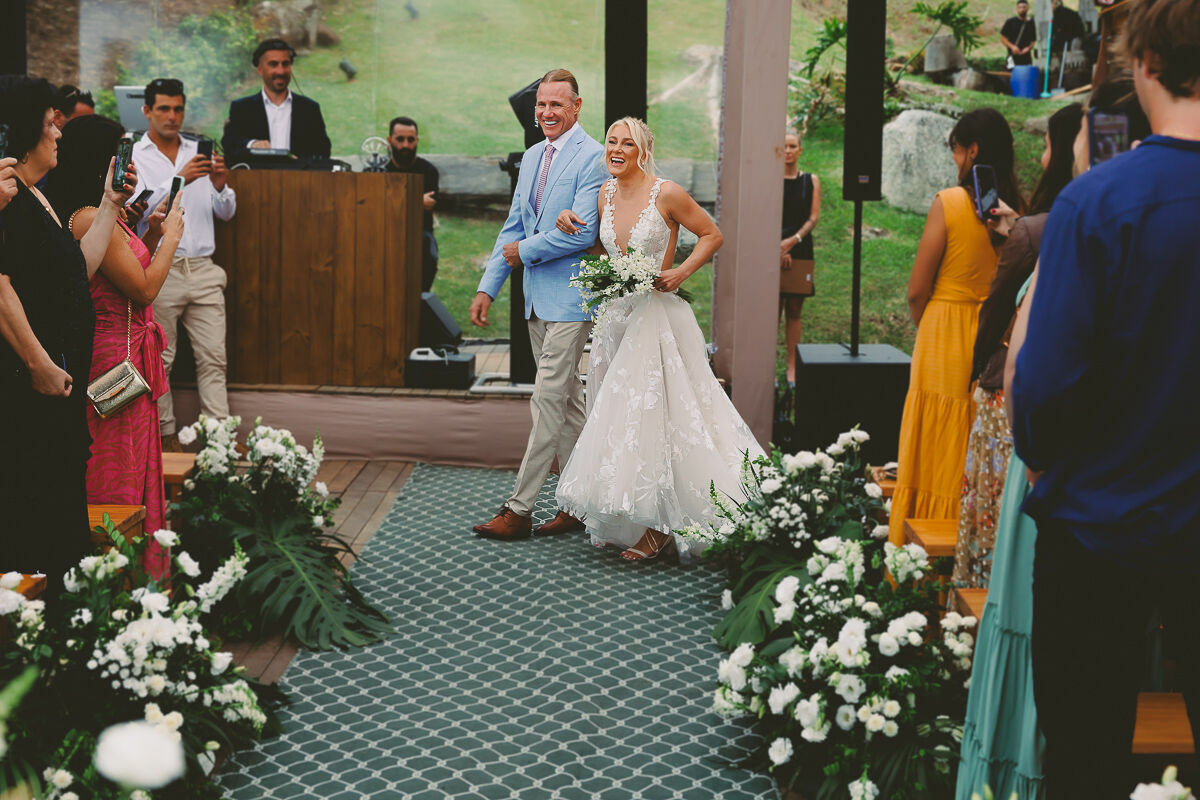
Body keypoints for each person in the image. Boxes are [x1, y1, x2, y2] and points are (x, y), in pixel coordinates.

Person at [1012, 0, 1200, 792]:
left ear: (1145, 63)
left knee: (1085, 761)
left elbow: (1046, 389)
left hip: (1100, 528)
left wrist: (1043, 458)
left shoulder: (1100, 203)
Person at [955, 95, 1118, 800]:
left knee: (1033, 613)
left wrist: (1038, 455)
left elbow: (1025, 367)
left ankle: (1019, 762)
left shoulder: (1063, 228)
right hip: (1135, 470)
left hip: (1059, 464)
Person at [552, 117, 765, 561]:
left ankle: (660, 525)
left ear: (642, 151)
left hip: (657, 318)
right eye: (611, 141)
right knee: (617, 418)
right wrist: (569, 224)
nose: (616, 149)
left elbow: (713, 234)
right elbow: (606, 247)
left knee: (658, 417)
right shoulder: (603, 193)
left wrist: (681, 271)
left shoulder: (666, 193)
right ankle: (627, 510)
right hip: (615, 321)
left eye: (626, 143)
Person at [0, 75, 133, 590]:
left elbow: (78, 269)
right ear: (24, 133)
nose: (58, 133)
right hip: (31, 386)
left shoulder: (36, 195)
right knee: (37, 510)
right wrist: (38, 363)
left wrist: (111, 201)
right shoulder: (9, 200)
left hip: (58, 384)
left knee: (61, 502)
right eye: (50, 123)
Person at [468, 68, 607, 542]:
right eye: (541, 105)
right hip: (534, 300)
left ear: (576, 106)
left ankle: (519, 508)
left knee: (546, 401)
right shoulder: (530, 157)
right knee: (567, 406)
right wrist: (490, 285)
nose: (547, 112)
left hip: (572, 300)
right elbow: (513, 227)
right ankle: (583, 502)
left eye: (556, 104)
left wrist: (524, 252)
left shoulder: (593, 158)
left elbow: (585, 231)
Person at [44, 114, 185, 578]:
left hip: (130, 352)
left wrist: (150, 233)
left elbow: (125, 271)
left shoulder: (107, 213)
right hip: (112, 363)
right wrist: (172, 240)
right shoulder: (86, 217)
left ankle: (139, 580)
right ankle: (113, 584)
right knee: (116, 472)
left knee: (139, 466)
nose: (126, 165)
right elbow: (142, 290)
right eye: (118, 154)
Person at [952, 102, 1082, 589]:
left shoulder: (1037, 229)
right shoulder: (1046, 226)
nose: (1043, 157)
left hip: (1014, 390)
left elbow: (997, 308)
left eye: (1049, 146)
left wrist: (979, 364)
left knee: (994, 506)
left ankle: (979, 593)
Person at [888, 108, 1023, 544]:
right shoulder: (1017, 213)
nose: (954, 160)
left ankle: (917, 549)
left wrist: (923, 326)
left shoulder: (949, 202)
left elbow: (916, 289)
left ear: (973, 151)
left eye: (956, 151)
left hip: (945, 331)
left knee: (934, 438)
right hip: (996, 330)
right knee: (971, 438)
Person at [130, 78, 236, 452]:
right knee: (161, 361)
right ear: (146, 111)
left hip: (205, 268)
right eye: (164, 109)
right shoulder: (135, 154)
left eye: (178, 108)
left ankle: (218, 442)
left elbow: (225, 212)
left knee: (214, 358)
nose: (173, 116)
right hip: (162, 268)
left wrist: (220, 185)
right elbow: (137, 210)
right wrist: (179, 178)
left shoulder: (197, 149)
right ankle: (165, 440)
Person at [220, 38, 332, 165]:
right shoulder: (242, 108)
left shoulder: (309, 108)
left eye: (285, 64)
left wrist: (301, 162)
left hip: (299, 182)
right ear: (260, 70)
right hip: (256, 182)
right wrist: (252, 144)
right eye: (273, 64)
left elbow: (323, 151)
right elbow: (230, 145)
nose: (281, 71)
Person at [778, 128, 820, 386]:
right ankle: (766, 366)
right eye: (784, 146)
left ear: (800, 150)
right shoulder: (770, 180)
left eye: (793, 146)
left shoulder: (811, 180)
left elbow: (813, 217)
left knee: (794, 310)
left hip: (801, 247)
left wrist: (792, 242)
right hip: (771, 248)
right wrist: (777, 248)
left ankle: (792, 366)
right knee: (771, 312)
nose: (788, 151)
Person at [386, 116, 440, 292]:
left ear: (417, 140)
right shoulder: (380, 169)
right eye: (400, 139)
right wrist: (416, 200)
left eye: (410, 139)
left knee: (429, 253)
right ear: (389, 140)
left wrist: (389, 199)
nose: (405, 146)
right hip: (385, 233)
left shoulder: (429, 171)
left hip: (419, 234)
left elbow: (429, 203)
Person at [1001, 0, 1036, 67]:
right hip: (1012, 56)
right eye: (1019, 7)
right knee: (1010, 75)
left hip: (1026, 57)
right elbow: (1003, 39)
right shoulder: (1010, 22)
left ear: (1028, 8)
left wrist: (1028, 48)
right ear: (1016, 9)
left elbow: (1033, 40)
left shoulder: (1032, 23)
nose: (1022, 9)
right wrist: (1012, 47)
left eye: (1024, 7)